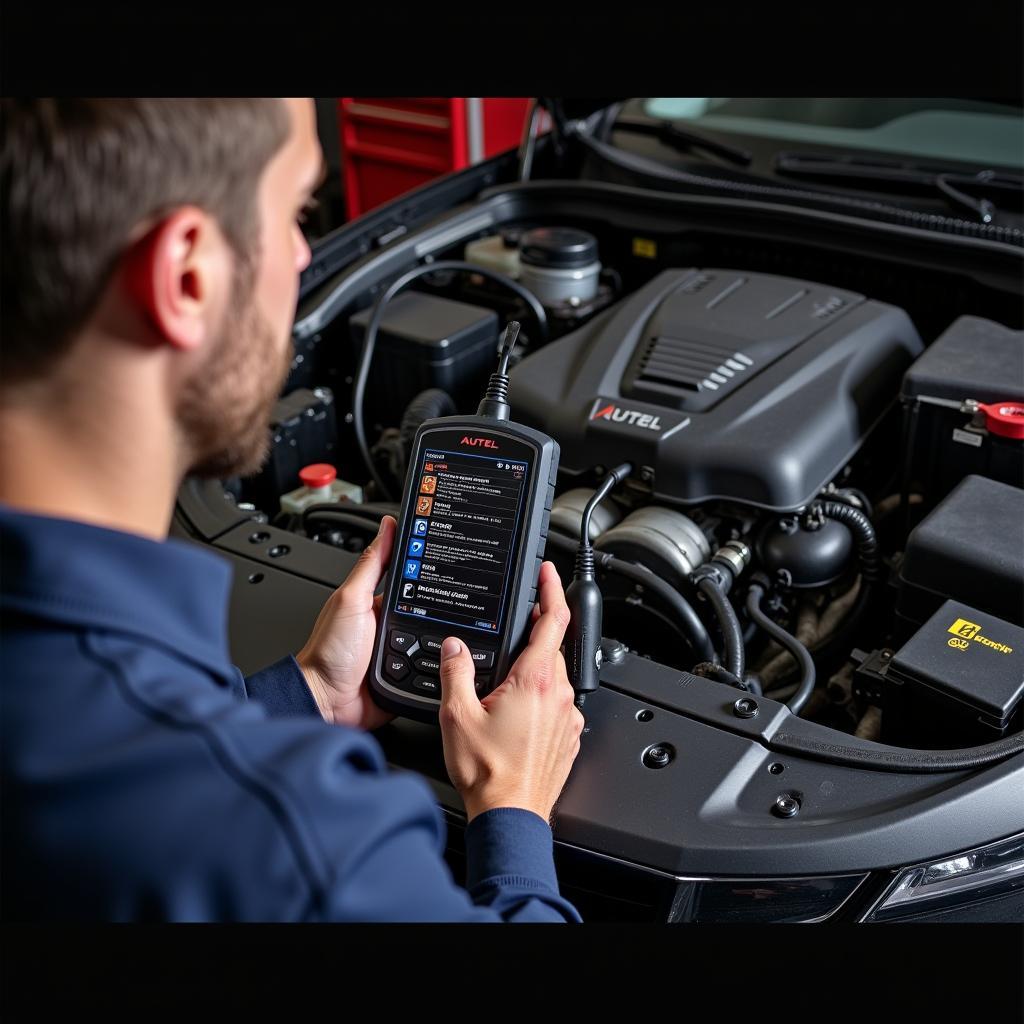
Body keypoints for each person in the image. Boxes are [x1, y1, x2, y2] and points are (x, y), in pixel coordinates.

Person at [0, 98, 585, 921]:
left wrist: (307, 692)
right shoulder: (296, 844)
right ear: (187, 276)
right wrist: (513, 806)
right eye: (298, 211)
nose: (308, 254)